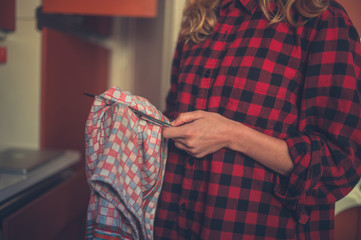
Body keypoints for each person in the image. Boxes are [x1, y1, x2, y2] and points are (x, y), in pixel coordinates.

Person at [154, 0, 361, 239]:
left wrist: (234, 135)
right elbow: (174, 120)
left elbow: (340, 162)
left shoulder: (323, 19)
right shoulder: (201, 16)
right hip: (172, 226)